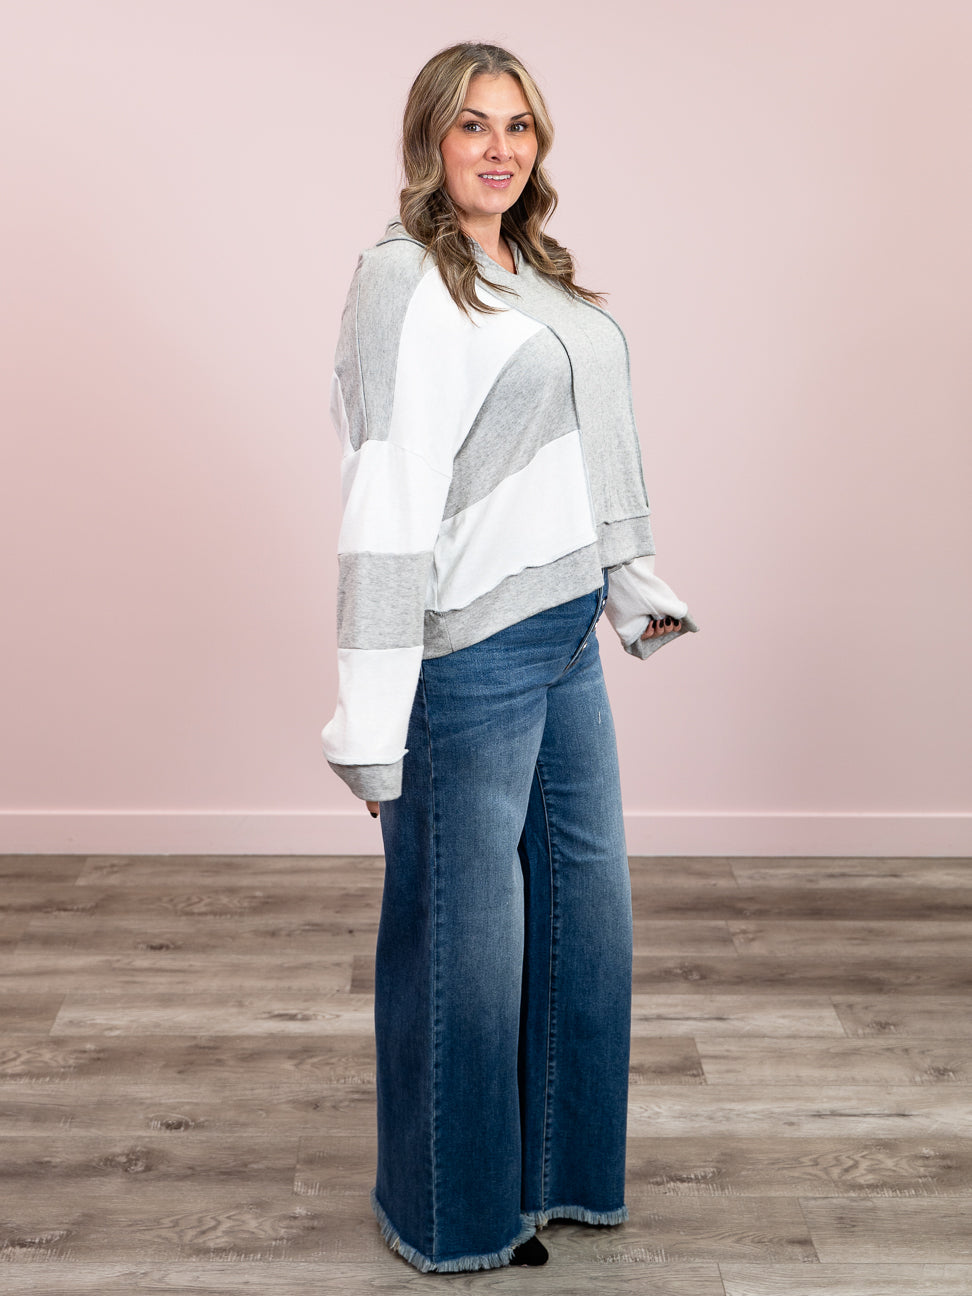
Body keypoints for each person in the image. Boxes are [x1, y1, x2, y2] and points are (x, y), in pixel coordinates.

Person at [320, 41, 697, 1273]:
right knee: (465, 953)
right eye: (473, 124)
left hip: (563, 628)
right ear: (430, 140)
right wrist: (373, 717)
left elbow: (582, 441)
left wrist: (627, 586)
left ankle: (561, 1179)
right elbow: (387, 498)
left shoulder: (531, 271)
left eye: (518, 126)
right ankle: (452, 1215)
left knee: (587, 925)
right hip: (466, 655)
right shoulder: (404, 280)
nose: (499, 147)